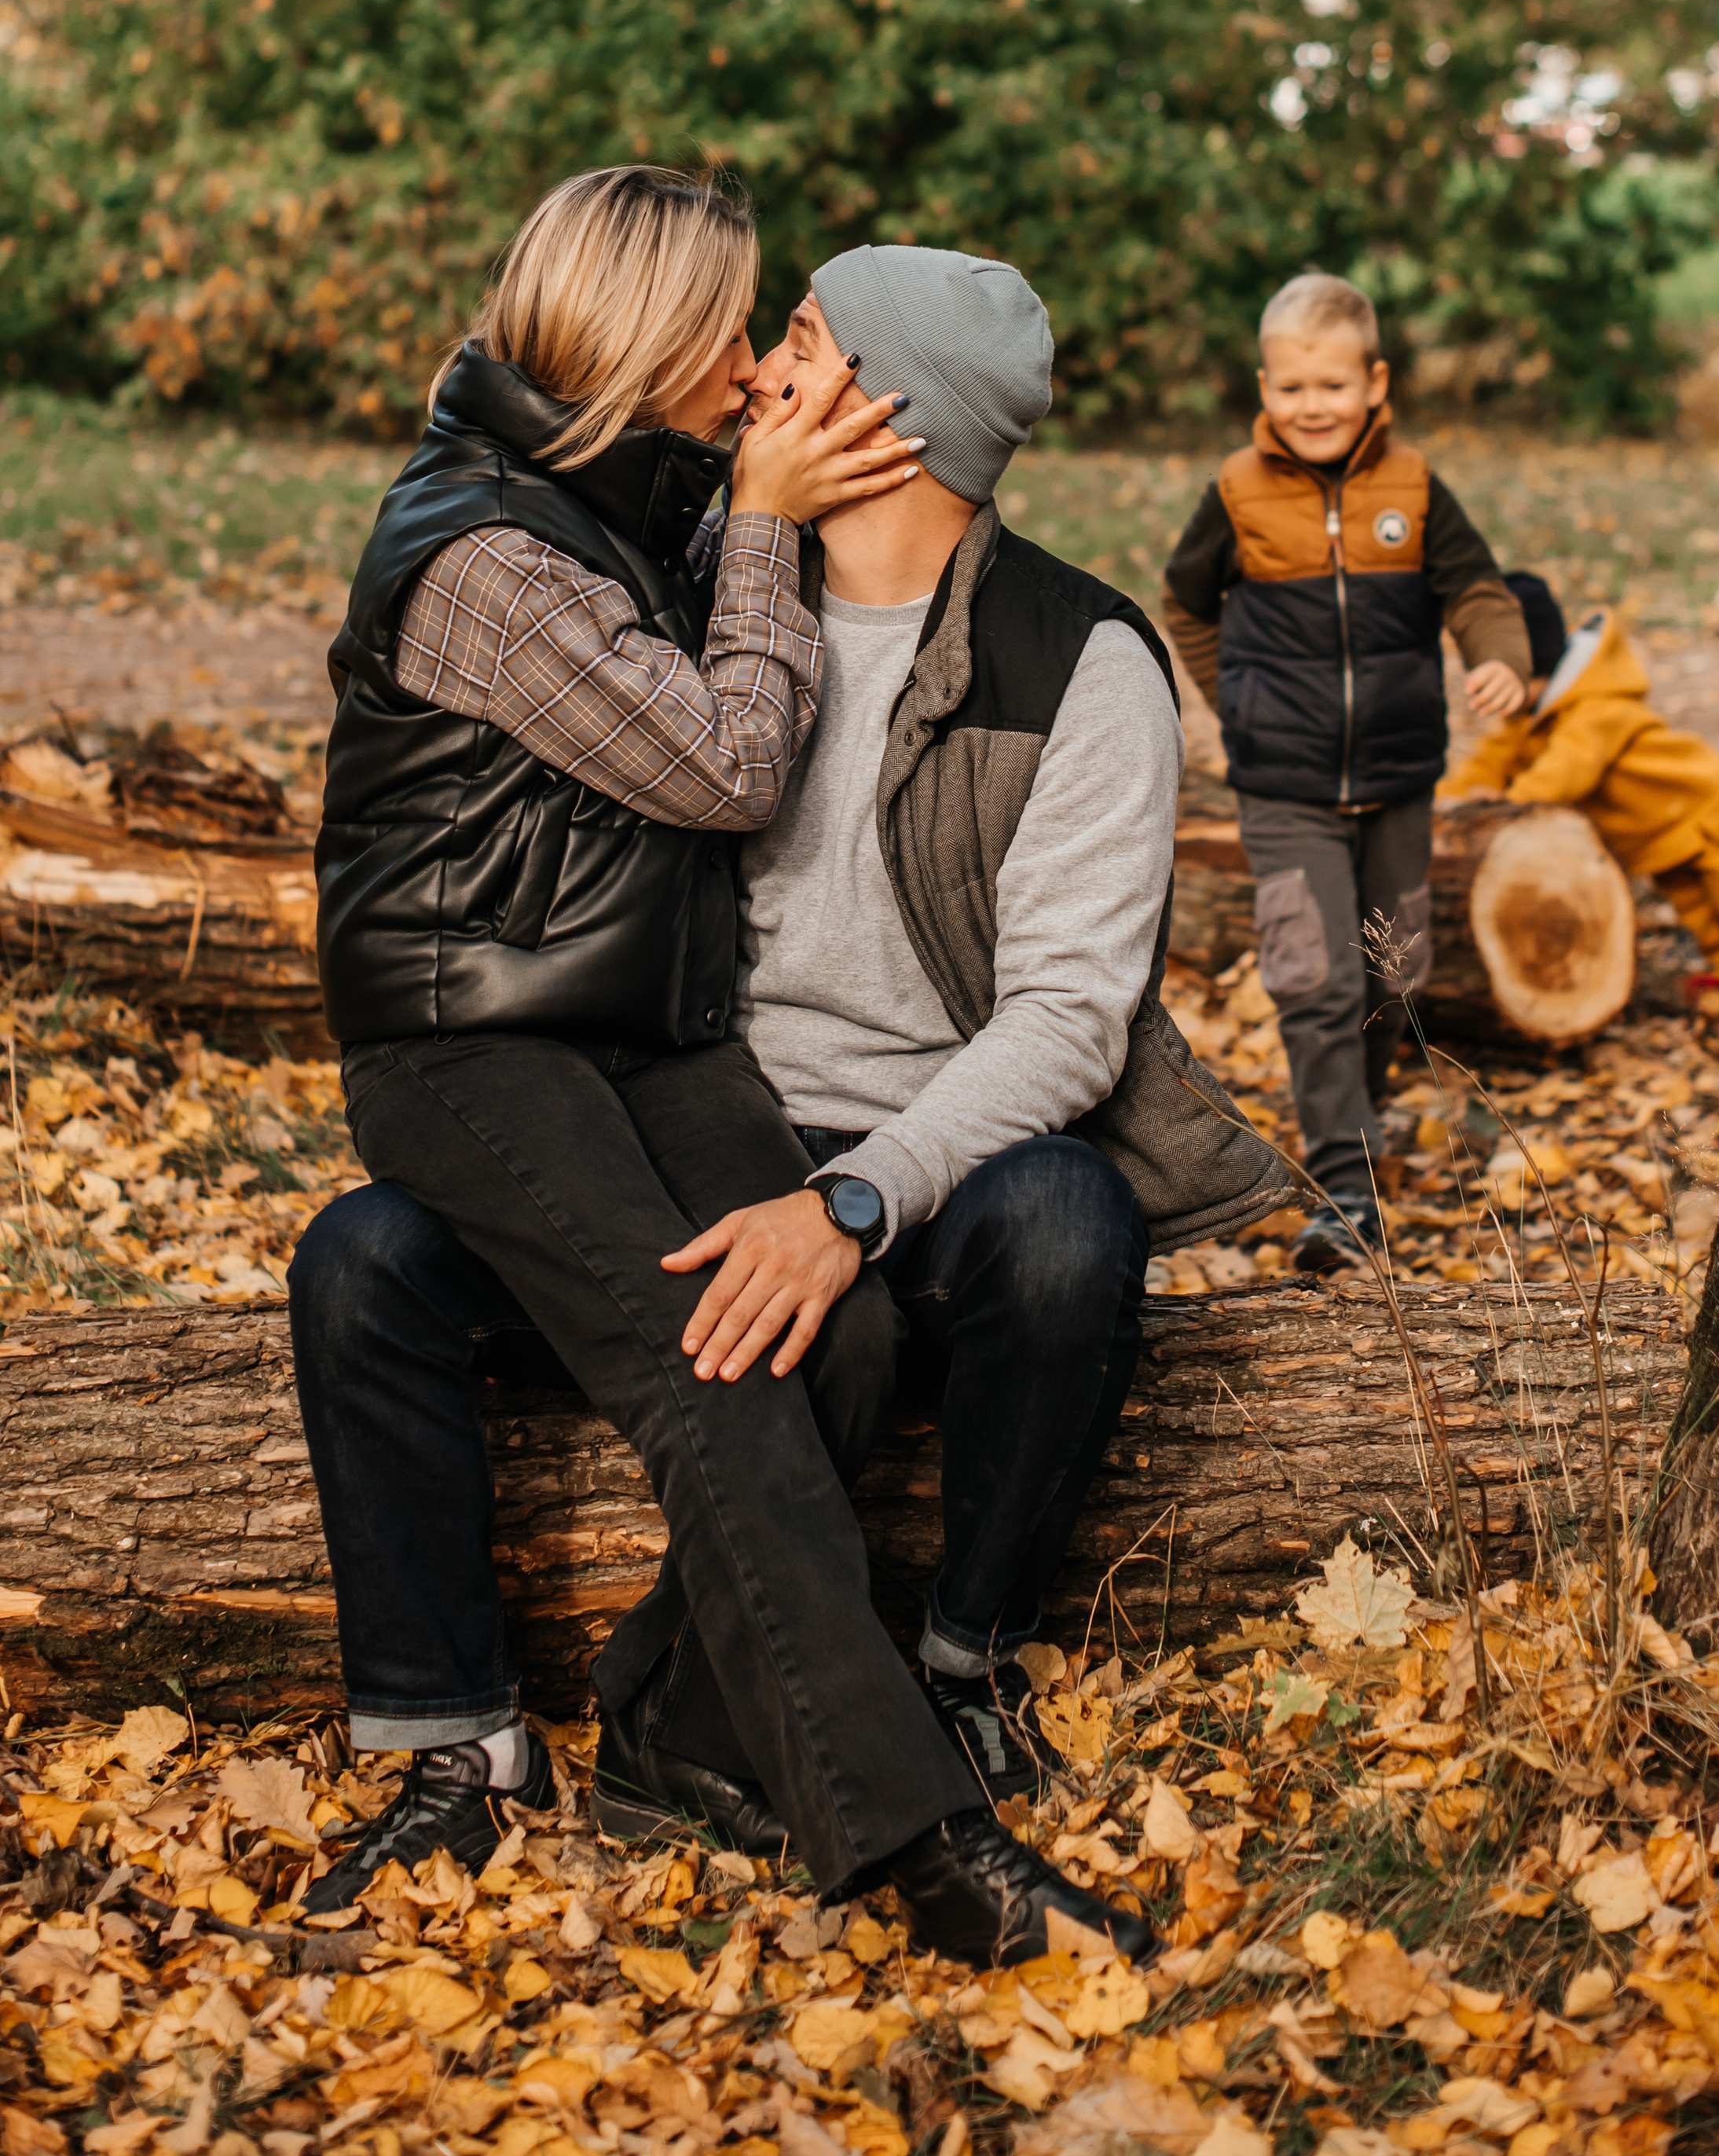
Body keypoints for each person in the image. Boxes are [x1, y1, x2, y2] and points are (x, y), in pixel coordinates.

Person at [295, 240, 1310, 1885]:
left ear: (891, 416)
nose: (758, 366)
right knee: (364, 1259)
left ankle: (958, 1661)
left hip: (925, 1160)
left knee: (1070, 1224)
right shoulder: (692, 579)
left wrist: (851, 1201)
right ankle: (454, 1742)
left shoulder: (1081, 660)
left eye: (804, 339)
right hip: (681, 1126)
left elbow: (1068, 1017)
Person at [1160, 272, 1530, 1268]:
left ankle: (1360, 1108)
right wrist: (1234, 701)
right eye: (1291, 388)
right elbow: (1186, 601)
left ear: (1375, 384)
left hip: (1399, 779)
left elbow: (1476, 588)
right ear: (1263, 388)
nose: (1311, 406)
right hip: (1282, 787)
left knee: (1392, 977)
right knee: (1312, 978)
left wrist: (1500, 656)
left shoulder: (1412, 488)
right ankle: (1345, 1191)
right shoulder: (1237, 492)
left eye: (1331, 386)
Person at [1442, 570, 1719, 996]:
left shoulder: (1598, 710)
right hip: (1657, 833)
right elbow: (1489, 760)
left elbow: (1563, 775)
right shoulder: (1528, 715)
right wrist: (1447, 805)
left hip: (1701, 805)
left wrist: (1508, 803)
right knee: (1696, 905)